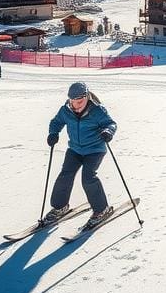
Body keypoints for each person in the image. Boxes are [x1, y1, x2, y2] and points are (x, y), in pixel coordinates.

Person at [44, 81, 117, 229]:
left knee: (88, 178)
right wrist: (53, 133)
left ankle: (101, 210)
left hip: (95, 150)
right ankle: (60, 206)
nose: (76, 106)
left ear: (87, 97)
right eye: (73, 102)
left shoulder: (98, 110)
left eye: (80, 102)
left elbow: (110, 123)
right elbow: (56, 122)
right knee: (65, 174)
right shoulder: (66, 110)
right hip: (75, 149)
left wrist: (108, 131)